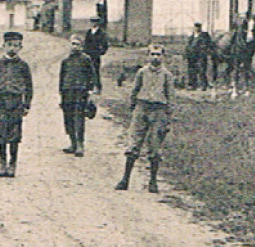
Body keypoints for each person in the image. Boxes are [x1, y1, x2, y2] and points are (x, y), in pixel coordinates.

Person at [116, 44, 176, 193]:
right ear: (148, 56)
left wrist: (168, 118)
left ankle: (153, 182)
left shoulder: (167, 75)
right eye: (153, 54)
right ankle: (125, 180)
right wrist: (134, 108)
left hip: (159, 110)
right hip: (142, 108)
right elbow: (134, 91)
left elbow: (171, 97)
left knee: (155, 148)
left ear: (163, 57)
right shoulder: (142, 72)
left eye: (159, 54)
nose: (155, 57)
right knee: (133, 145)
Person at [0, 31, 33, 177]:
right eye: (9, 45)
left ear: (21, 47)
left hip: (16, 101)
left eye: (16, 46)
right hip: (0, 102)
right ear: (3, 46)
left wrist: (26, 104)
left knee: (14, 134)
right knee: (1, 132)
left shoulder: (23, 66)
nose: (12, 48)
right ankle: (2, 162)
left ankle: (13, 163)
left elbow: (29, 86)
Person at [58, 34, 95, 156]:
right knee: (68, 118)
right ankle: (72, 143)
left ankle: (80, 144)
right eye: (73, 44)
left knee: (78, 118)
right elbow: (62, 77)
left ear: (82, 46)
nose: (74, 47)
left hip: (80, 91)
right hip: (67, 91)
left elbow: (91, 76)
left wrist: (89, 91)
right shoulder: (66, 60)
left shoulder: (86, 59)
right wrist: (61, 93)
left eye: (77, 44)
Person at [82, 15, 109, 93]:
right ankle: (89, 88)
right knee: (87, 71)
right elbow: (85, 43)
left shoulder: (101, 33)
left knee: (95, 71)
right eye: (92, 21)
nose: (93, 23)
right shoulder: (89, 32)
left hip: (96, 55)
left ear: (98, 23)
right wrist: (85, 51)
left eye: (95, 21)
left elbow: (105, 44)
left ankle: (98, 88)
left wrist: (101, 52)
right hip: (88, 55)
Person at [184, 23, 215, 90]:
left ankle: (203, 85)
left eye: (198, 27)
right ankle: (192, 85)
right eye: (195, 27)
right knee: (192, 70)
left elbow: (209, 44)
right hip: (192, 55)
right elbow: (188, 45)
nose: (197, 28)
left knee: (202, 70)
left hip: (201, 55)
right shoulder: (192, 36)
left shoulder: (205, 35)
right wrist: (186, 53)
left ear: (200, 28)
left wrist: (206, 51)